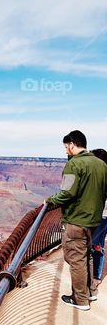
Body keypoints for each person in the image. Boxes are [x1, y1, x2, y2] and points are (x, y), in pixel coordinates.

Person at [47, 131, 107, 310]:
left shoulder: (75, 164)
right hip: (94, 220)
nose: (66, 151)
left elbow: (67, 192)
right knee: (85, 254)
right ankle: (89, 292)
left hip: (77, 220)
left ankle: (80, 300)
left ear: (72, 144)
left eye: (66, 147)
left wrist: (51, 201)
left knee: (75, 258)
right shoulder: (101, 164)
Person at [91, 148, 107, 287]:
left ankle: (95, 277)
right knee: (97, 244)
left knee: (96, 245)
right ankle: (95, 276)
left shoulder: (102, 175)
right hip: (102, 215)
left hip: (101, 216)